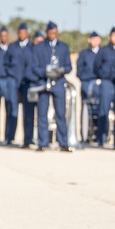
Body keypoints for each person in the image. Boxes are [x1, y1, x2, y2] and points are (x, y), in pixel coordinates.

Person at [29, 21, 73, 152]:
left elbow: (69, 66)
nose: (52, 35)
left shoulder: (63, 47)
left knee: (60, 113)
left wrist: (60, 71)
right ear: (46, 33)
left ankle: (63, 142)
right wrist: (45, 72)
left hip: (58, 83)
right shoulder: (39, 47)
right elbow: (34, 66)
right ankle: (42, 142)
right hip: (44, 83)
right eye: (50, 33)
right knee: (42, 114)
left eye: (55, 32)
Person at [93, 27, 115, 147]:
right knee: (103, 110)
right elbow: (96, 66)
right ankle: (101, 137)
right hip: (107, 83)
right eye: (114, 36)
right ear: (109, 37)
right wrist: (103, 75)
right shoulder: (104, 51)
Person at [7, 22, 33, 147]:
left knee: (28, 113)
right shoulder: (12, 47)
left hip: (27, 83)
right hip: (14, 82)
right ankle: (9, 137)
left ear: (27, 33)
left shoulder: (33, 47)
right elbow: (6, 63)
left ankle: (27, 140)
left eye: (24, 32)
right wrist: (12, 75)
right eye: (20, 32)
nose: (22, 35)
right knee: (12, 110)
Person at [76, 31, 101, 142]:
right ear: (89, 40)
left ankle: (98, 135)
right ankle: (85, 136)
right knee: (86, 110)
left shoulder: (103, 53)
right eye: (92, 39)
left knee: (99, 110)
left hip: (99, 83)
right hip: (86, 83)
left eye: (96, 39)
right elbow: (79, 71)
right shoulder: (84, 54)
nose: (94, 41)